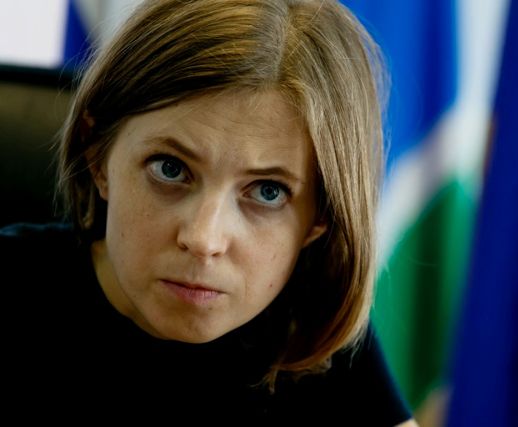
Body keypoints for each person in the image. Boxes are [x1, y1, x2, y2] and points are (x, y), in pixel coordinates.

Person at [1, 0, 417, 424]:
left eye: (268, 192)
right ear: (97, 155)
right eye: (170, 168)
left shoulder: (314, 333)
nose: (203, 239)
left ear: (321, 216)